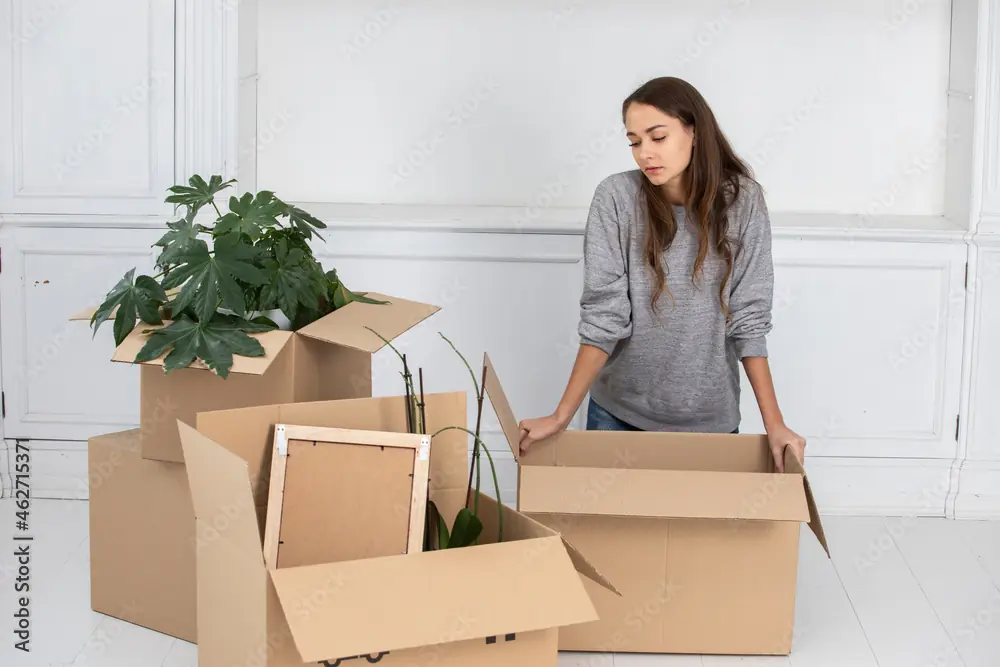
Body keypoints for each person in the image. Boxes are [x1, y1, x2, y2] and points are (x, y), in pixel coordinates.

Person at [517, 76, 806, 472]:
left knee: (699, 535)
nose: (644, 154)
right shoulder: (616, 198)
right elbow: (605, 316)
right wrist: (561, 416)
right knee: (605, 534)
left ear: (694, 132)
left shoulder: (743, 202)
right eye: (635, 141)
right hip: (616, 417)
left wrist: (776, 425)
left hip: (709, 427)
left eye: (657, 137)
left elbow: (749, 317)